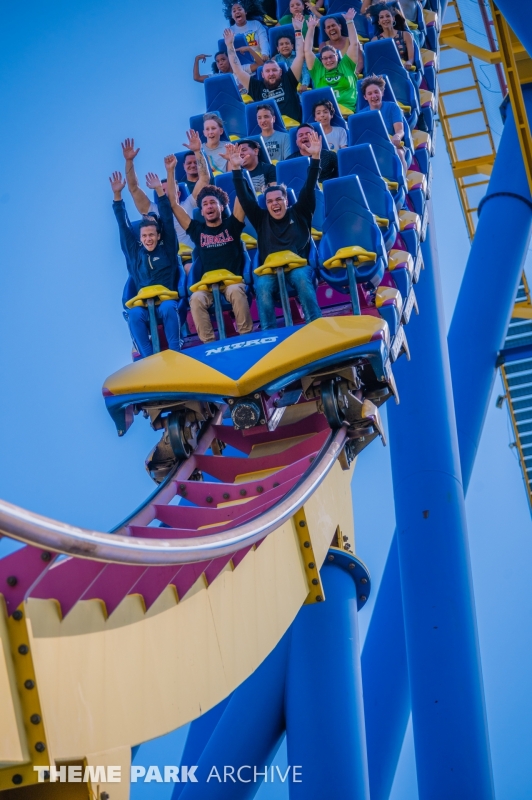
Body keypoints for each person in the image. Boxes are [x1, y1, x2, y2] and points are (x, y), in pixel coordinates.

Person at [228, 134, 323, 331]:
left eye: (279, 199)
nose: (275, 204)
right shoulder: (261, 218)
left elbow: (309, 187)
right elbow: (244, 198)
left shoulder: (300, 211)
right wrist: (236, 168)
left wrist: (315, 158)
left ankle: (315, 325)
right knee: (262, 286)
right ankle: (268, 331)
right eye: (270, 201)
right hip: (270, 270)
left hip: (298, 266)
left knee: (301, 279)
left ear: (286, 200)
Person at [163, 154, 253, 344]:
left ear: (221, 207)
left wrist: (237, 168)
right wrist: (170, 172)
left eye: (213, 203)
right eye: (205, 204)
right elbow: (173, 204)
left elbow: (243, 197)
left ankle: (246, 336)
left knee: (236, 291)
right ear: (201, 211)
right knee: (196, 299)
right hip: (207, 284)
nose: (209, 206)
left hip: (232, 281)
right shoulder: (197, 230)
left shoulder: (232, 225)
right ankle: (209, 344)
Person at [110, 169, 182, 358]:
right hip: (144, 304)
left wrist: (159, 191)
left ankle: (176, 351)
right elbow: (123, 226)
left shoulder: (167, 249)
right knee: (134, 314)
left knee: (167, 308)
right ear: (140, 238)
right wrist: (117, 196)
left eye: (151, 235)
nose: (148, 239)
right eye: (144, 236)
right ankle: (149, 358)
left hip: (166, 300)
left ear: (158, 236)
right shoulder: (135, 254)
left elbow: (167, 220)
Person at [121, 132, 209, 250]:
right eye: (162, 190)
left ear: (178, 193)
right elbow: (133, 188)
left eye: (169, 189)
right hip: (168, 259)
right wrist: (129, 161)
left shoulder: (189, 204)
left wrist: (198, 152)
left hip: (192, 256)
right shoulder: (153, 211)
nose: (166, 193)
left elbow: (204, 179)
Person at [224, 17, 305, 124]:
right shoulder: (257, 88)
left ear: (280, 72)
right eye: (267, 71)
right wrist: (230, 45)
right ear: (262, 74)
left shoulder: (289, 80)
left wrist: (298, 30)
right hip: (270, 130)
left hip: (293, 127)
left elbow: (300, 56)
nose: (271, 73)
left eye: (274, 70)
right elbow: (237, 70)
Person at [305, 12, 360, 113]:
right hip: (326, 115)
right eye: (325, 58)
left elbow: (354, 44)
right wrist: (311, 28)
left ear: (337, 56)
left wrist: (349, 21)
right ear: (321, 60)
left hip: (348, 112)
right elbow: (307, 51)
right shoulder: (317, 70)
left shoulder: (346, 65)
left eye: (331, 57)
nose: (329, 60)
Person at [358, 74, 409, 172]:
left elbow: (400, 130)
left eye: (376, 92)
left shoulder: (393, 107)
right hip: (371, 147)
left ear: (382, 92)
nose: (374, 96)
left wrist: (397, 136)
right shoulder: (360, 114)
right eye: (370, 94)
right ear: (365, 97)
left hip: (390, 145)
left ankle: (402, 179)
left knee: (399, 153)